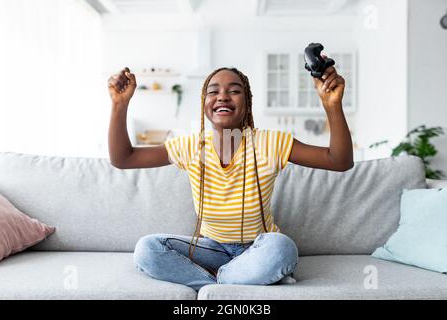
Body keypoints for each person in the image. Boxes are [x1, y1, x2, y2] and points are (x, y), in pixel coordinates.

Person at [107, 61, 353, 291]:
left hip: (258, 247)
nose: (222, 96)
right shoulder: (191, 147)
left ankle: (217, 281)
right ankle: (237, 280)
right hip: (211, 249)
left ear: (247, 103)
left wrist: (332, 105)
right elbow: (123, 158)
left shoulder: (271, 142)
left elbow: (339, 161)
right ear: (204, 103)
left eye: (234, 91)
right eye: (213, 91)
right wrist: (120, 104)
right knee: (147, 249)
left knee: (282, 249)